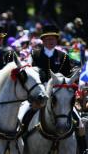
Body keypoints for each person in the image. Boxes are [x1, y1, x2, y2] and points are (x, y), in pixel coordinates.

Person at [31, 24, 86, 153]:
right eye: (48, 39)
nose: (51, 42)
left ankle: (84, 149)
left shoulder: (64, 56)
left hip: (61, 96)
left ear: (57, 40)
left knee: (80, 122)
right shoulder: (35, 55)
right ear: (43, 40)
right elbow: (33, 74)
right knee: (23, 116)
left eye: (53, 39)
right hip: (41, 93)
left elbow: (68, 76)